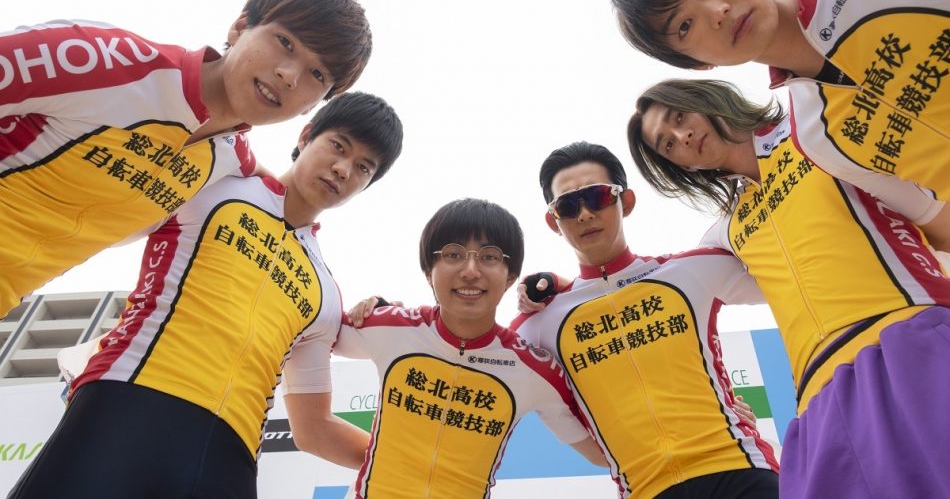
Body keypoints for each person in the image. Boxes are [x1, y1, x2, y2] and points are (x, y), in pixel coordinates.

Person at [8, 91, 402, 498]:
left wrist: (419, 466)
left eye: (363, 167)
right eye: (338, 146)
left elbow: (314, 428)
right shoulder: (213, 181)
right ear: (305, 135)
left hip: (230, 455)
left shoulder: (325, 295)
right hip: (125, 402)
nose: (342, 169)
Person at [628, 78, 950, 499]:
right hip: (822, 395)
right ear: (682, 167)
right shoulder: (725, 232)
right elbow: (657, 288)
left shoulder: (814, 130)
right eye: (668, 145)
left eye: (679, 117)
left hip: (908, 340)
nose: (682, 136)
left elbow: (935, 214)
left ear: (707, 100)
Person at [0, 0, 372, 317]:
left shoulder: (229, 161)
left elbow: (287, 202)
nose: (289, 76)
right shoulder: (105, 59)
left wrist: (357, 319)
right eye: (285, 42)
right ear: (241, 27)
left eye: (317, 74)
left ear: (315, 103)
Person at [611, 0, 950, 220]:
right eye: (685, 26)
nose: (717, 12)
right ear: (697, 65)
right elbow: (939, 223)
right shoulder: (817, 138)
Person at [508, 141, 778, 499]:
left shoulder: (690, 270)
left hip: (740, 471)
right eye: (568, 205)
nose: (585, 214)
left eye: (598, 196)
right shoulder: (537, 326)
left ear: (627, 201)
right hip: (646, 488)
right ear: (553, 221)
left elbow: (789, 276)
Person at [337, 198, 606, 499]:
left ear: (510, 277)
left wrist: (570, 292)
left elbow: (603, 453)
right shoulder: (388, 327)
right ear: (428, 270)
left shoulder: (534, 368)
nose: (470, 271)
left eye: (489, 257)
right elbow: (309, 330)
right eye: (453, 254)